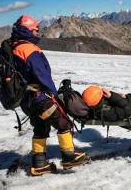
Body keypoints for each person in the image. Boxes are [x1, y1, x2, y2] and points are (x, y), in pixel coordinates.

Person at [10, 15, 89, 175]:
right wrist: (54, 96)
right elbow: (42, 75)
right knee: (63, 122)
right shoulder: (29, 49)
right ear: (28, 30)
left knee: (41, 127)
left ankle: (39, 164)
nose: (38, 33)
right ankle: (68, 157)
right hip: (39, 98)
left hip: (26, 101)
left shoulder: (13, 47)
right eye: (35, 30)